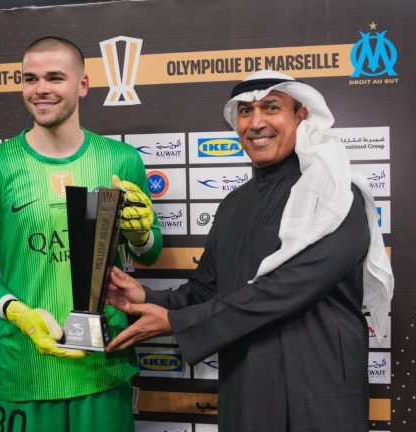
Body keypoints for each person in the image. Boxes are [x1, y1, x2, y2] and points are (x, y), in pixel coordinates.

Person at [104, 70, 394, 431]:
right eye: (245, 111)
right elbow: (207, 289)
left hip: (320, 389)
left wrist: (178, 323)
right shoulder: (233, 205)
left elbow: (284, 290)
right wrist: (147, 297)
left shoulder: (337, 196)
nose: (256, 123)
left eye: (271, 107)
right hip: (249, 387)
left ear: (301, 115)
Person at [0, 36, 162, 431]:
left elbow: (150, 253)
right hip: (24, 371)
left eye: (54, 77)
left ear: (82, 85)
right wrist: (16, 311)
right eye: (30, 79)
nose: (40, 89)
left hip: (102, 368)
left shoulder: (121, 160)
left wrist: (140, 236)